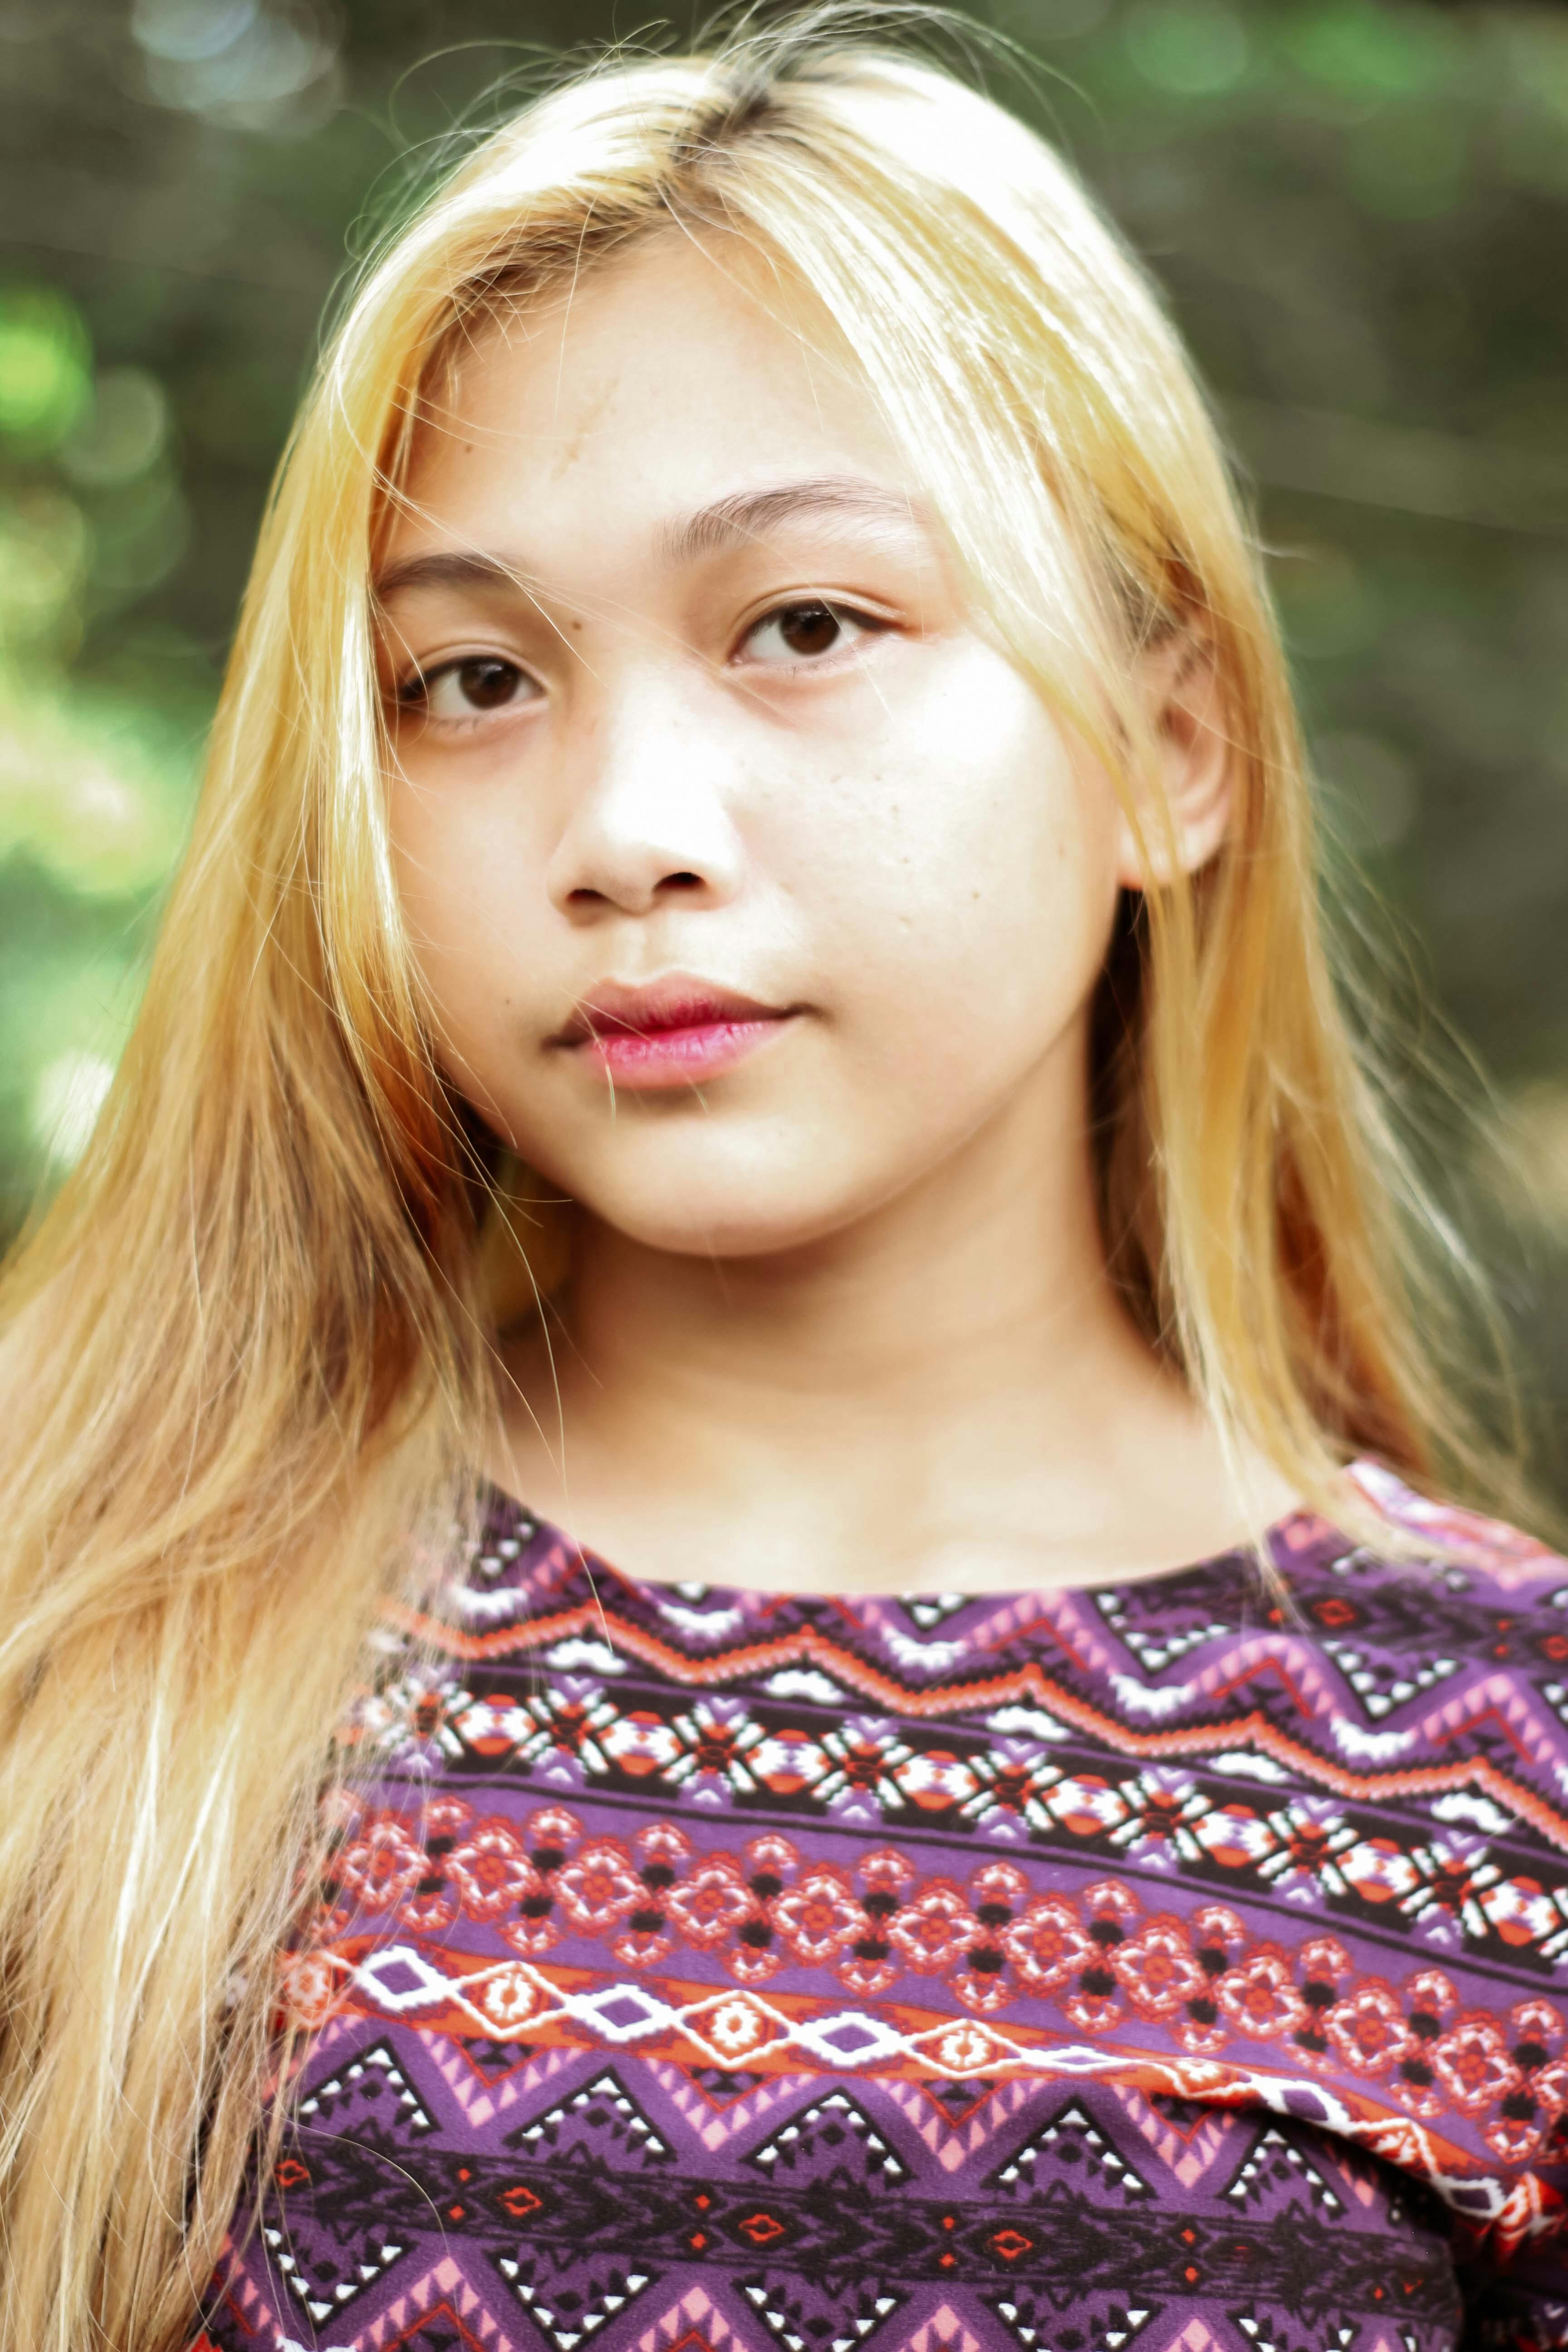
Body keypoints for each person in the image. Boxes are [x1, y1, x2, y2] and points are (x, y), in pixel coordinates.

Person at [0, 9, 1564, 2348]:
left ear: (1170, 749)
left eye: (806, 627)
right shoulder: (72, 1620)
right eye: (469, 681)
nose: (627, 831)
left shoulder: (1505, 1778)